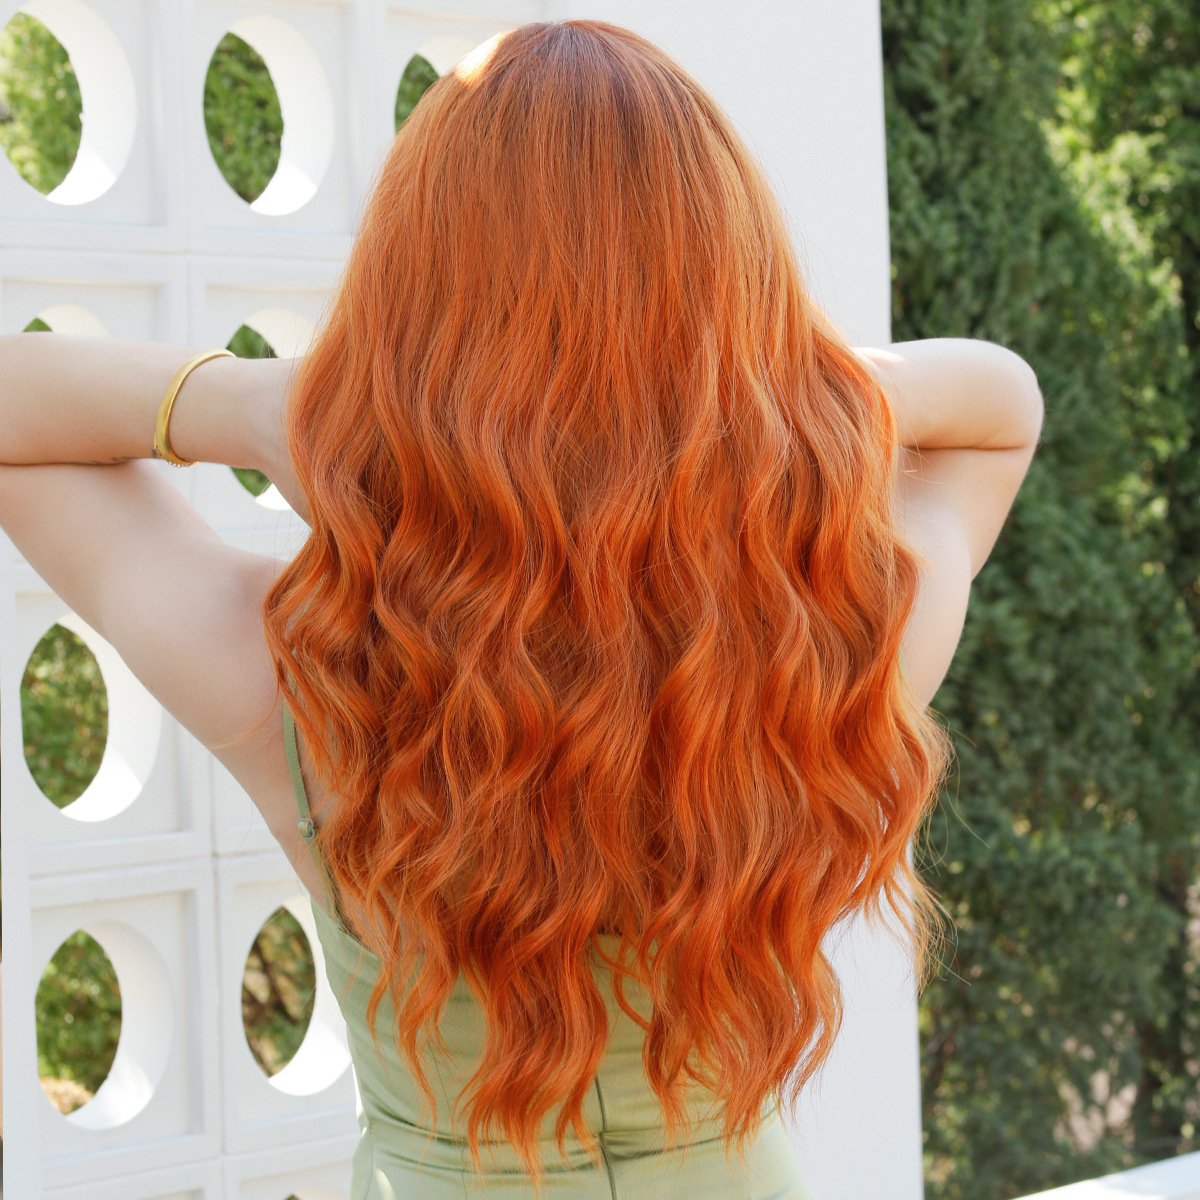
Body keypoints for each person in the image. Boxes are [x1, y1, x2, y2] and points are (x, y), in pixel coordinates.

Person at [0, 17, 1044, 1198]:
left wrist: (268, 406)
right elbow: (1001, 403)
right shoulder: (842, 642)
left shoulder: (293, 675)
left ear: (407, 313)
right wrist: (777, 404)